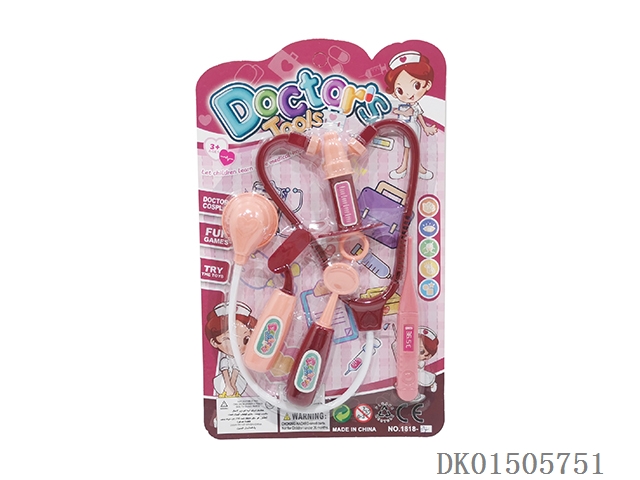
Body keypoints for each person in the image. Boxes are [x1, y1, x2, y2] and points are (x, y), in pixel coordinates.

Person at [384, 51, 438, 180]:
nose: (408, 94)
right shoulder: (403, 105)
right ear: (394, 93)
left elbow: (416, 115)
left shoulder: (414, 106)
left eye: (416, 85)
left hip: (413, 127)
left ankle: (418, 168)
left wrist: (425, 127)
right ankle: (404, 167)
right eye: (400, 90)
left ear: (427, 84)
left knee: (414, 148)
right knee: (407, 148)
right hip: (404, 128)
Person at [205, 301, 257, 397]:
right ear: (214, 342)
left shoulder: (242, 362)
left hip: (240, 383)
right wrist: (228, 386)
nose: (238, 345)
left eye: (246, 339)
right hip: (224, 383)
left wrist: (233, 385)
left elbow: (236, 372)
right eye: (228, 339)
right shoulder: (225, 360)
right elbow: (225, 373)